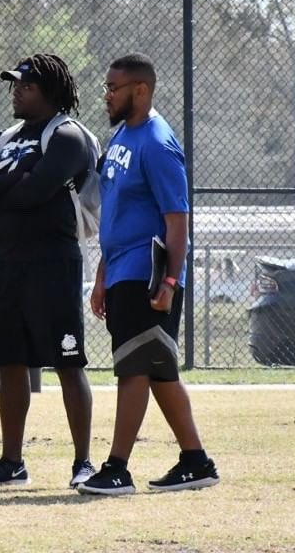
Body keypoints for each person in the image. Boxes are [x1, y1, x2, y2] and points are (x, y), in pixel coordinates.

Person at [77, 52, 219, 496]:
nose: (107, 95)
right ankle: (196, 461)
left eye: (113, 88)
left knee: (135, 368)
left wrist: (170, 283)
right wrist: (102, 275)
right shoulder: (122, 137)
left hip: (148, 275)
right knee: (158, 370)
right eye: (106, 87)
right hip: (121, 271)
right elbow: (120, 216)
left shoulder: (157, 143)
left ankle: (117, 468)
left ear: (141, 89)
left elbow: (177, 222)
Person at [0, 53, 95, 488]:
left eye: (25, 85)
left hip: (54, 260)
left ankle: (83, 464)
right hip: (6, 261)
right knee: (10, 362)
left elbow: (37, 192)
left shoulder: (68, 135)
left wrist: (3, 185)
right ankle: (11, 463)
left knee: (67, 361)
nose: (15, 91)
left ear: (50, 93)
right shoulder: (4, 139)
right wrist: (13, 177)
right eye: (14, 84)